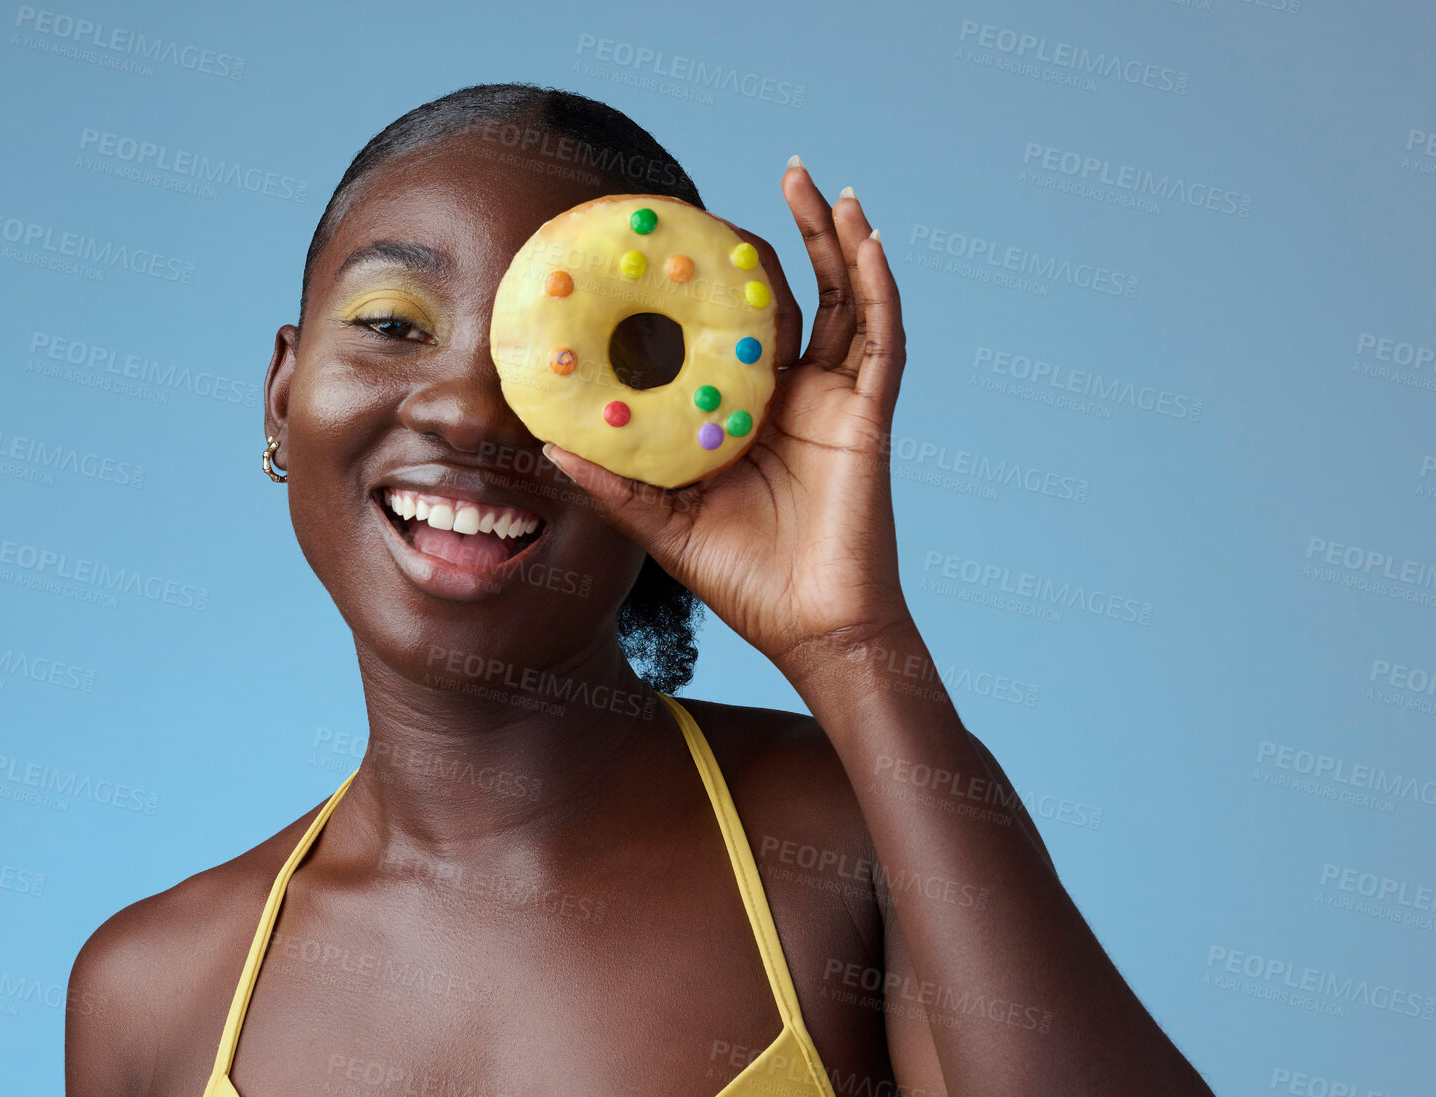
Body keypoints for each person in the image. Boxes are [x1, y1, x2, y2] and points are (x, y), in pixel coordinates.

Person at [66, 83, 1215, 1097]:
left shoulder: (852, 835)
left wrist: (855, 647)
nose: (468, 411)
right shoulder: (156, 993)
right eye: (389, 324)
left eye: (585, 355)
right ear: (282, 389)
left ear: (685, 444)